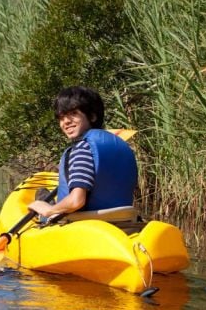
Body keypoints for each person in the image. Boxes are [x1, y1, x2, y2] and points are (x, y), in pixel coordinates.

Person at [26, 86, 137, 219]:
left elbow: (76, 201)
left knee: (42, 198)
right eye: (61, 117)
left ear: (92, 116)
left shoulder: (83, 148)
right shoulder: (121, 145)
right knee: (44, 194)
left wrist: (49, 210)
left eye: (73, 113)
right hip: (123, 219)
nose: (66, 122)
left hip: (84, 222)